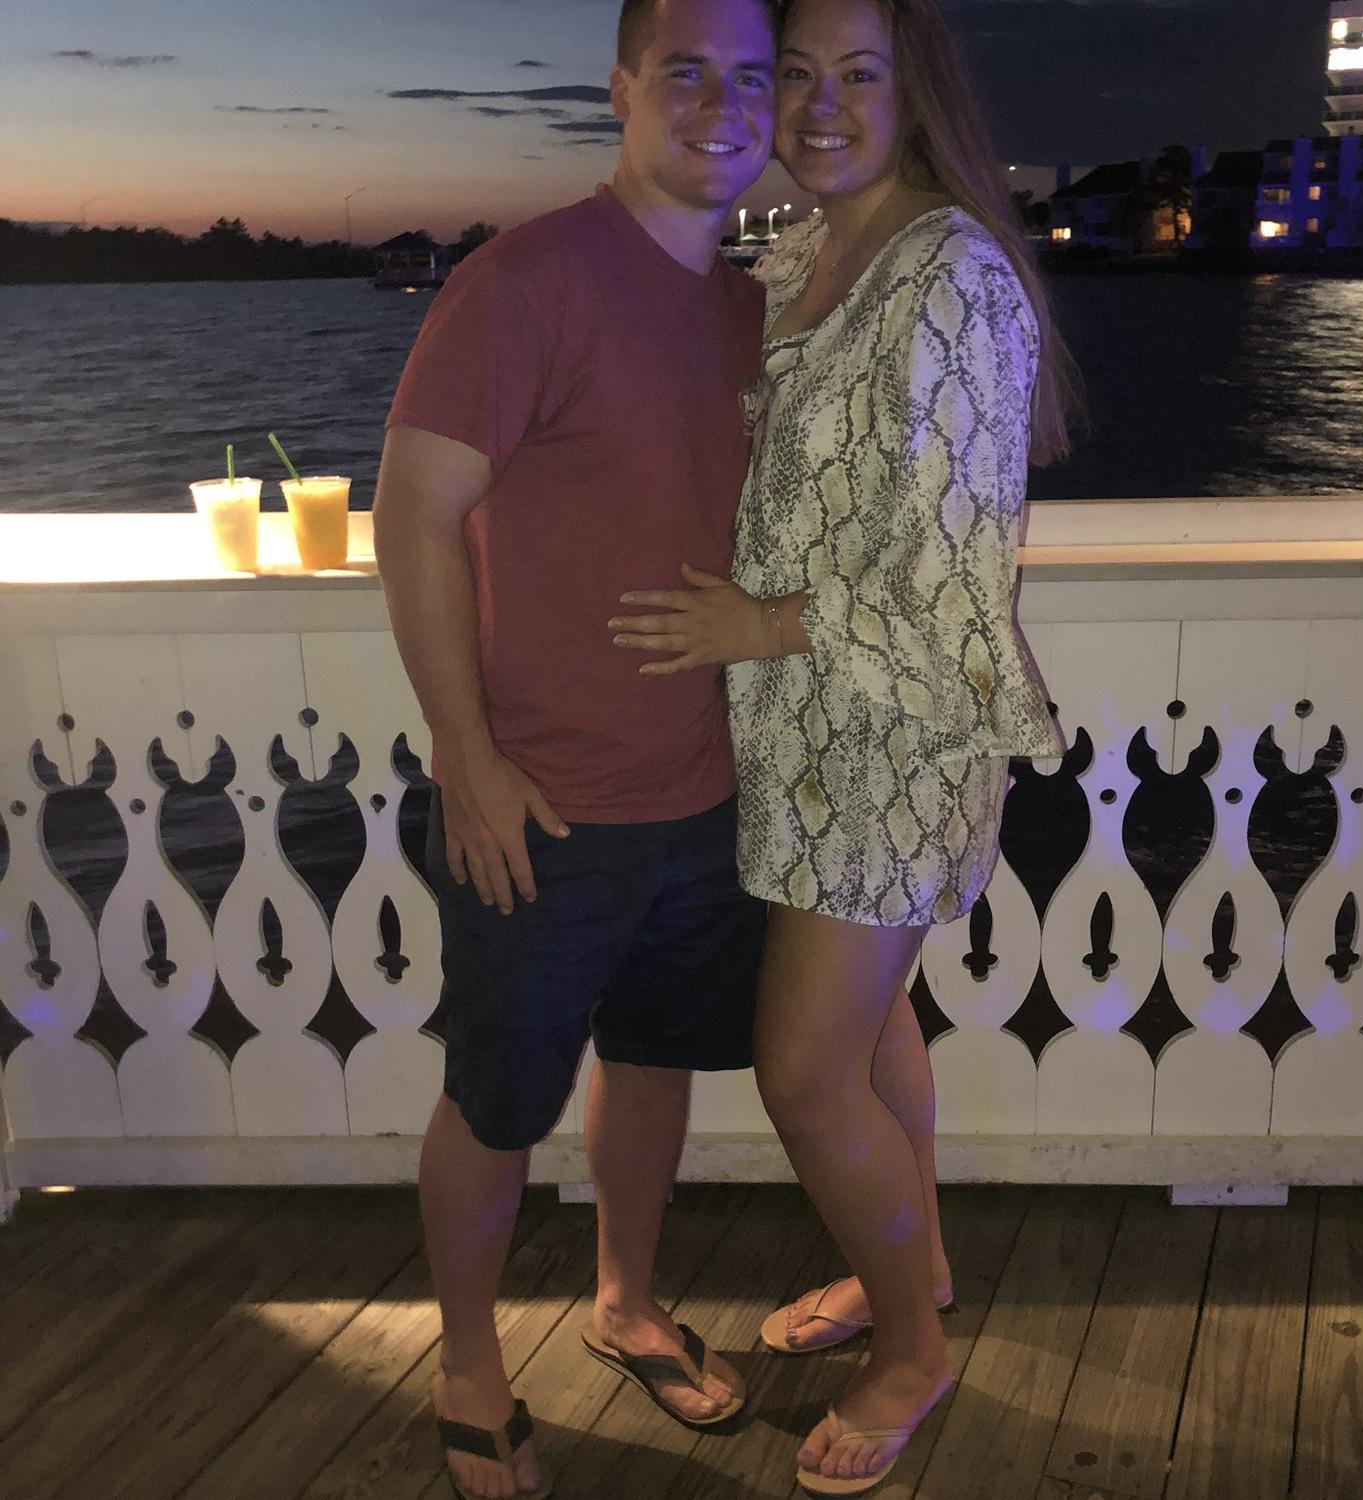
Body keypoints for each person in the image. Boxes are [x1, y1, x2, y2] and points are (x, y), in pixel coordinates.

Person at [609, 0, 1077, 1490]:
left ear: (913, 89)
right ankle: (910, 1267)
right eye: (794, 73)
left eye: (855, 73)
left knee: (805, 1071)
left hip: (893, 734)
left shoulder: (952, 274)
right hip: (800, 735)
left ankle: (912, 1355)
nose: (817, 103)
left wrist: (759, 623)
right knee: (872, 1037)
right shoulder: (807, 251)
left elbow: (952, 569)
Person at [373, 1, 778, 1495]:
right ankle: (467, 1363)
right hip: (537, 804)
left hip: (705, 795)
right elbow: (410, 516)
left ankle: (624, 1302)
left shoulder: (749, 308)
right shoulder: (526, 280)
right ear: (621, 90)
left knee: (656, 1064)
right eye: (686, 71)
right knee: (497, 1101)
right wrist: (466, 757)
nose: (722, 104)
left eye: (751, 76)